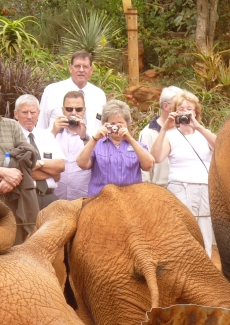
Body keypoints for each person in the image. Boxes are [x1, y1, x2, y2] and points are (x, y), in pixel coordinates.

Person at [150, 91, 217, 256]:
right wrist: (164, 128)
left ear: (195, 112)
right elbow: (156, 157)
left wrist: (198, 126)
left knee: (204, 232)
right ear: (175, 112)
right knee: (183, 232)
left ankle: (205, 265)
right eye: (181, 109)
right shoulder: (170, 135)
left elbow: (220, 146)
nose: (185, 112)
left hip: (203, 187)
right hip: (180, 188)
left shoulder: (203, 133)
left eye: (189, 109)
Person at [76, 99, 153, 197]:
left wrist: (130, 139)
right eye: (112, 124)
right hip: (101, 200)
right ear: (105, 124)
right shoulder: (97, 144)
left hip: (130, 200)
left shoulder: (137, 146)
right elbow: (81, 164)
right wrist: (95, 138)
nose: (116, 127)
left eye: (120, 123)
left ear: (127, 124)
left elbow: (148, 165)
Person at [13, 94, 66, 209]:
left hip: (49, 197)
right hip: (25, 198)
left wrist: (38, 164)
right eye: (24, 112)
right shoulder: (11, 138)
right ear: (16, 114)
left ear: (39, 113)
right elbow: (22, 173)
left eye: (33, 112)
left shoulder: (47, 136)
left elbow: (60, 167)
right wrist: (50, 172)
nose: (29, 116)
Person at [37, 50, 106, 132]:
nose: (81, 70)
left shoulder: (99, 95)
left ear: (91, 70)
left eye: (85, 67)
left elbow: (102, 127)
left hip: (91, 140)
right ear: (70, 68)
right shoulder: (52, 91)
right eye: (77, 66)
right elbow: (41, 126)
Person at [139, 85, 183, 188]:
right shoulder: (148, 133)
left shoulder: (185, 130)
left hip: (183, 189)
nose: (182, 109)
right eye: (178, 105)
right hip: (160, 190)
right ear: (166, 106)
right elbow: (144, 171)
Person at [54, 90, 92, 200]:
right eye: (69, 109)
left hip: (83, 197)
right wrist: (53, 132)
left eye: (78, 109)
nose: (74, 113)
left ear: (84, 110)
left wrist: (84, 137)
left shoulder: (94, 133)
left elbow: (96, 159)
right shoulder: (53, 132)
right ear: (63, 110)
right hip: (56, 196)